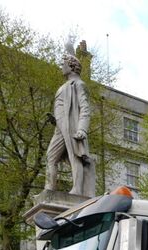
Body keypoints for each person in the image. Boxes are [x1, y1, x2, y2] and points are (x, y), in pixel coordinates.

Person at [45, 53, 95, 196]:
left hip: (71, 125)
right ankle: (49, 189)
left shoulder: (79, 84)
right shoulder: (64, 86)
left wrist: (82, 129)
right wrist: (55, 120)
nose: (61, 67)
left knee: (75, 156)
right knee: (50, 157)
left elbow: (85, 108)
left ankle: (77, 189)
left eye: (63, 64)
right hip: (60, 127)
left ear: (71, 66)